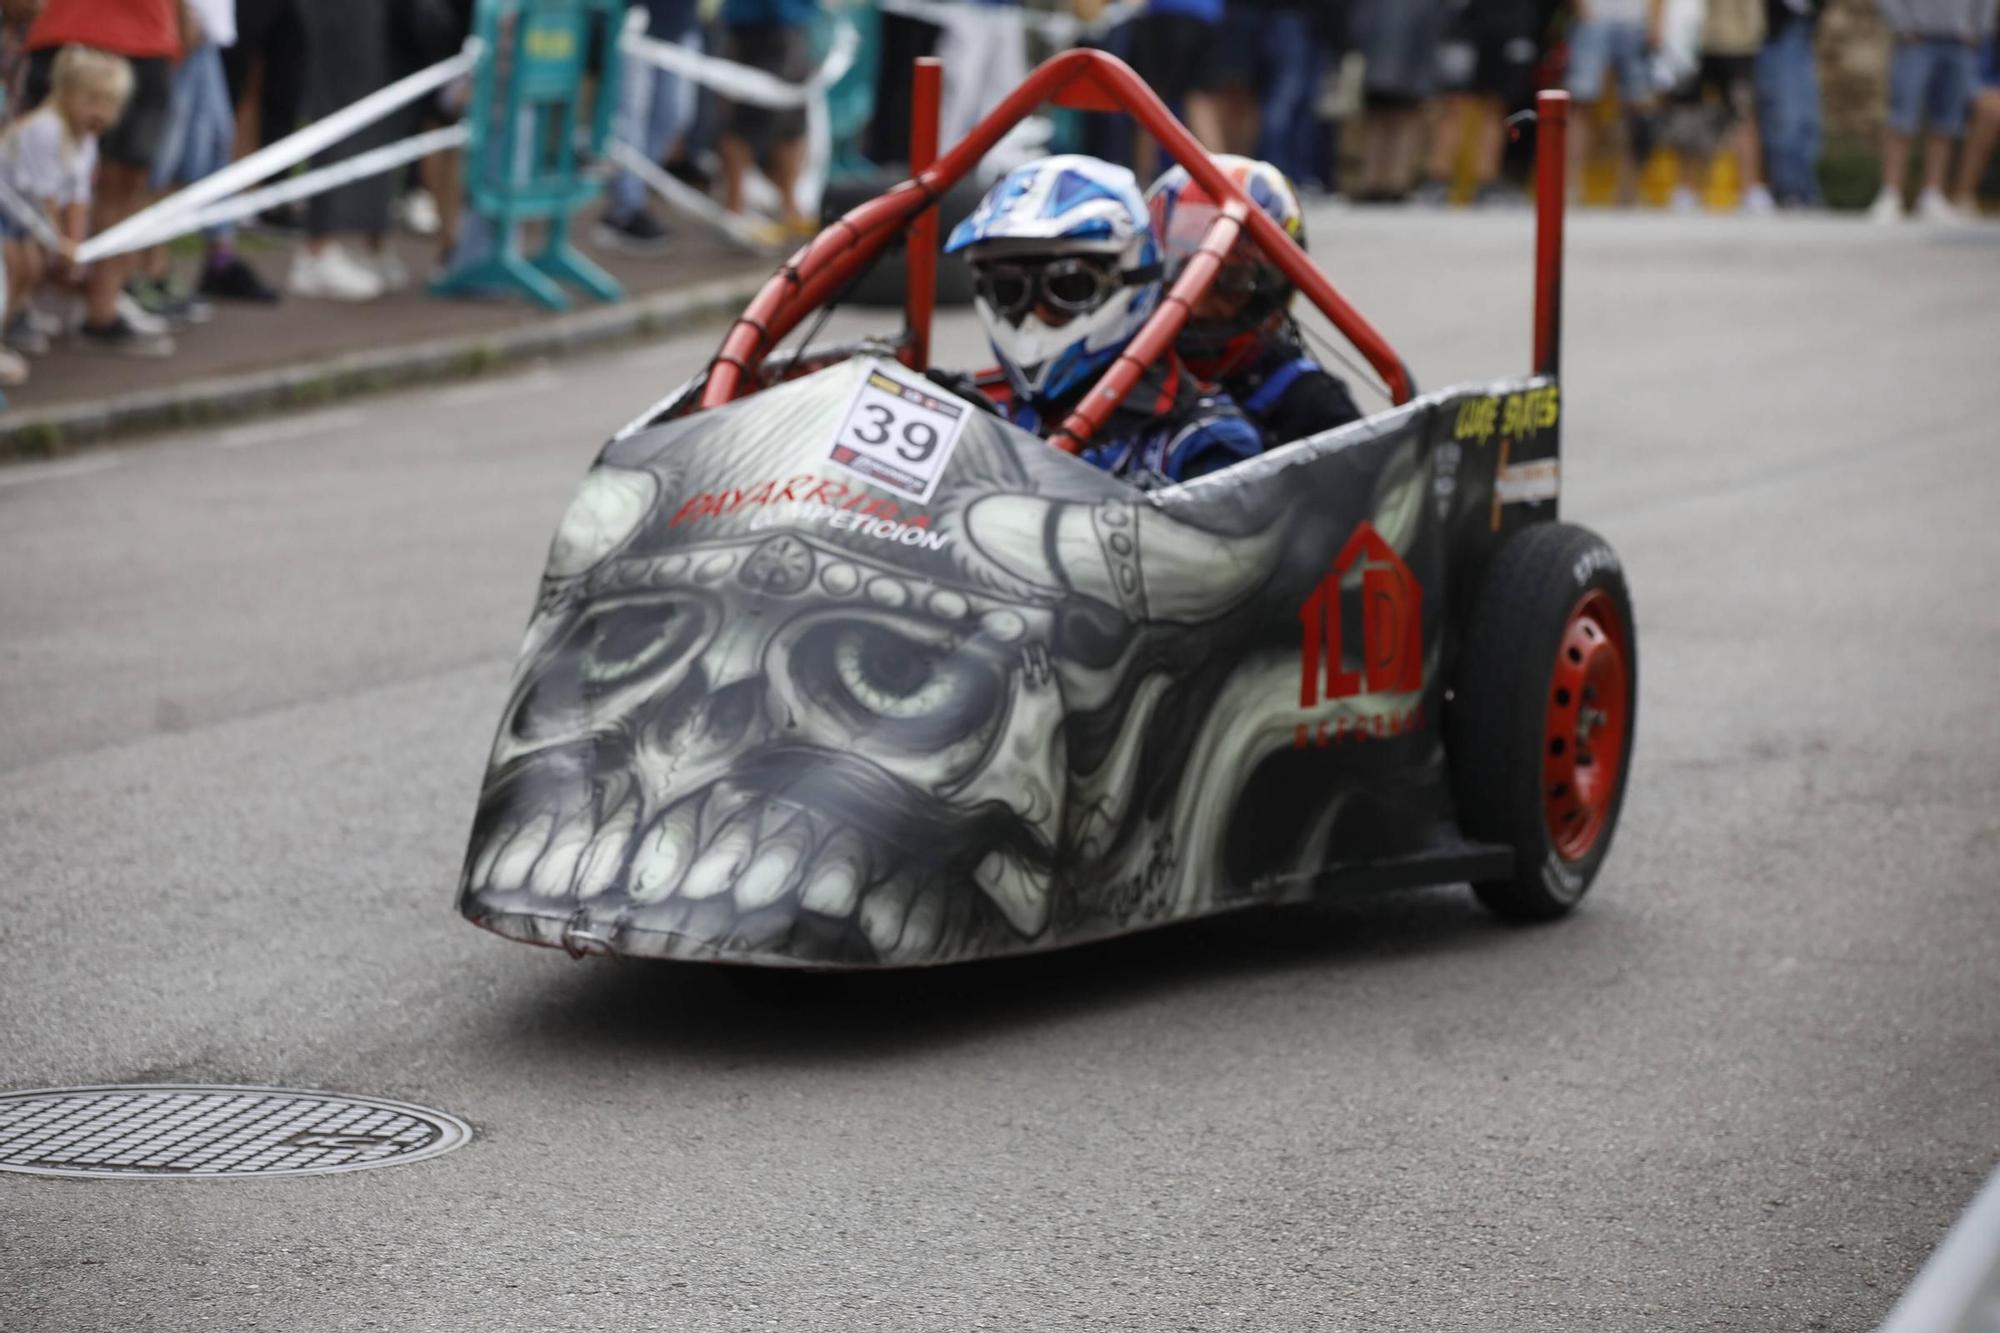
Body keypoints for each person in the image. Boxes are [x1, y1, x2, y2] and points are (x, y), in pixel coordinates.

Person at [943, 155, 1265, 487]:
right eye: (1008, 290)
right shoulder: (970, 408)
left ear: (1128, 280)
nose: (1035, 314)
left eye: (1067, 288)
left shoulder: (1205, 439)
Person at [1147, 155, 1362, 446]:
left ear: (1274, 284)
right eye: (1179, 279)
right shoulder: (1115, 383)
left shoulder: (1310, 404)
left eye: (1229, 281)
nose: (1195, 305)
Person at [22, 0, 181, 352]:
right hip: (67, 31)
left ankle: (102, 311)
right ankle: (20, 306)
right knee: (36, 182)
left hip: (147, 37)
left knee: (127, 184)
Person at [0, 46, 133, 372]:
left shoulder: (85, 138)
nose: (101, 112)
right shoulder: (47, 129)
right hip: (12, 209)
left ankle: (12, 323)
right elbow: (46, 197)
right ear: (66, 94)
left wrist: (74, 244)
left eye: (110, 103)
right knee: (18, 267)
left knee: (28, 268)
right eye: (93, 100)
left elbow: (78, 194)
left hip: (26, 216)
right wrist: (62, 244)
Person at [1870, 0, 1996, 222]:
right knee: (1902, 117)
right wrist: (1902, 26)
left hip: (1960, 40)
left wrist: (1979, 30)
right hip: (1916, 38)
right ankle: (1890, 193)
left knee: (1946, 122)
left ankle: (1933, 195)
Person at [597, 0, 699, 255]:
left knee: (675, 114)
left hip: (680, 22)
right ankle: (626, 209)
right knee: (630, 118)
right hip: (632, 20)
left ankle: (636, 190)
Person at [1416, 0, 1542, 206]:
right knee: (1454, 105)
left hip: (1509, 25)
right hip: (1466, 25)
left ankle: (1486, 185)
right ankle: (1437, 181)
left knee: (1495, 106)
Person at [716, 0, 819, 250]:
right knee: (745, 122)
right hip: (754, 26)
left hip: (794, 21)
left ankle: (790, 208)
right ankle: (735, 210)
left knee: (793, 124)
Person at [1663, 0, 1774, 213]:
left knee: (1743, 114)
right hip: (1693, 40)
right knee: (1688, 116)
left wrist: (1754, 31)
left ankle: (1748, 189)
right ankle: (1686, 189)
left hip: (1737, 41)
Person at [1348, 0, 1451, 201]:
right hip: (1410, 68)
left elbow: (1358, 25)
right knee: (1401, 124)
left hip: (1380, 65)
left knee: (1380, 123)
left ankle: (1375, 181)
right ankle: (1394, 182)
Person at [1566, 0, 1665, 205]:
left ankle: (1629, 192)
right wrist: (1583, 10)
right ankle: (1569, 189)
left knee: (1638, 110)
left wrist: (1655, 21)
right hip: (1594, 18)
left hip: (1636, 22)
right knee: (1580, 105)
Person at [1127, 0, 1228, 182]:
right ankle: (1223, 179)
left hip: (1170, 14)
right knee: (1199, 100)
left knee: (1152, 100)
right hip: (1208, 15)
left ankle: (1142, 182)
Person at [1756, 0, 1825, 209]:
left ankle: (1807, 189)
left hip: (1804, 30)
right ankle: (1787, 189)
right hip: (1777, 33)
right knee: (1785, 117)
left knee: (1808, 118)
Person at [1950, 33, 2000, 212]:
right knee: (1991, 113)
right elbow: (1974, 80)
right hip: (1986, 100)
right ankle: (1963, 195)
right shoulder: (1988, 37)